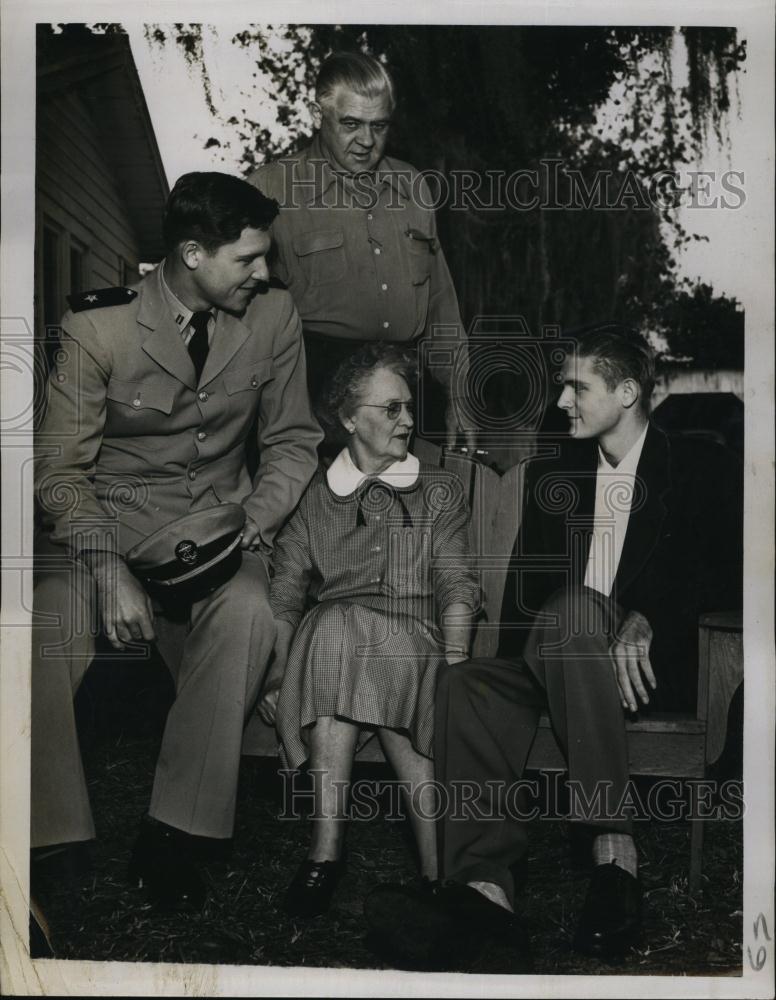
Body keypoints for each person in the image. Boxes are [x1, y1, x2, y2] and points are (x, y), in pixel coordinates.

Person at [365, 323, 743, 968]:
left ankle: (611, 845)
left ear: (626, 392)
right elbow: (521, 598)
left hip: (648, 671)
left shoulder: (700, 466)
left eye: (578, 387)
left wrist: (648, 616)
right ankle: (485, 889)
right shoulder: (554, 475)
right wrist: (515, 665)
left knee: (573, 613)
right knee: (466, 685)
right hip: (555, 654)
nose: (562, 401)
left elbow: (730, 574)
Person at [31, 171, 322, 911]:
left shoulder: (273, 318)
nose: (264, 272)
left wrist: (255, 521)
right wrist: (104, 569)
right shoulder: (99, 327)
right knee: (37, 626)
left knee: (250, 614)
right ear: (193, 254)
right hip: (110, 532)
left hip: (221, 534)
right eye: (248, 259)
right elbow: (61, 471)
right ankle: (50, 839)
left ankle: (175, 835)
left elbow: (291, 440)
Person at [256, 342, 480, 917]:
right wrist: (275, 675)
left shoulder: (438, 491)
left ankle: (324, 857)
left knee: (349, 635)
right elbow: (284, 589)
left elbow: (457, 585)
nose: (407, 419)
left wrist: (456, 664)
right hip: (334, 653)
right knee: (338, 628)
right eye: (391, 409)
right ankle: (435, 874)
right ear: (350, 418)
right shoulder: (315, 499)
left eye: (408, 407)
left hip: (418, 644)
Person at [248, 51, 474, 449]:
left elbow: (441, 303)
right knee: (321, 511)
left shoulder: (414, 187)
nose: (366, 141)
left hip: (407, 388)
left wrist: (459, 393)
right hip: (312, 394)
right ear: (318, 114)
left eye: (379, 126)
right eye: (350, 124)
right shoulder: (270, 189)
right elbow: (238, 311)